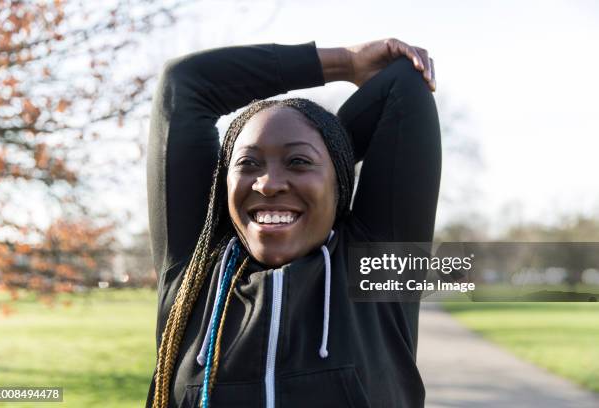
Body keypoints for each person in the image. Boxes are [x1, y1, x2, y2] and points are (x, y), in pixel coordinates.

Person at [145, 38, 441, 408]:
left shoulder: (375, 267)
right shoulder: (194, 272)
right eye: (248, 163)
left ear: (339, 182)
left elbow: (403, 84)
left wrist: (331, 147)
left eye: (298, 162)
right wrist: (344, 63)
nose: (267, 183)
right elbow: (183, 83)